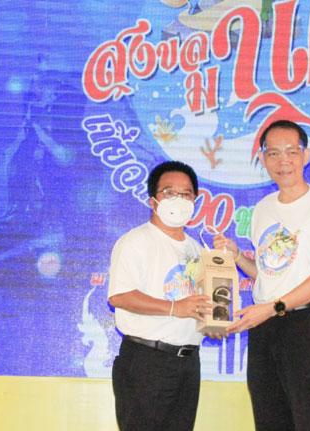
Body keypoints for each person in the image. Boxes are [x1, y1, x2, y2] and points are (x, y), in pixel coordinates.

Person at [214, 119, 310, 430]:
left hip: (305, 324)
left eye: (291, 151)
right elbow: (267, 275)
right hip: (265, 327)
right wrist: (237, 256)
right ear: (262, 159)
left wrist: (272, 308)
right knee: (269, 418)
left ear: (306, 155)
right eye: (273, 153)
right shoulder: (262, 209)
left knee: (309, 420)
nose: (282, 161)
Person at [108, 161, 212, 431]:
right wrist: (174, 307)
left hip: (188, 362)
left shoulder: (197, 249)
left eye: (186, 194)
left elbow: (197, 305)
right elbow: (120, 296)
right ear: (152, 200)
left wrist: (215, 323)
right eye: (169, 192)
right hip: (148, 360)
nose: (178, 199)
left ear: (195, 201)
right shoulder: (136, 241)